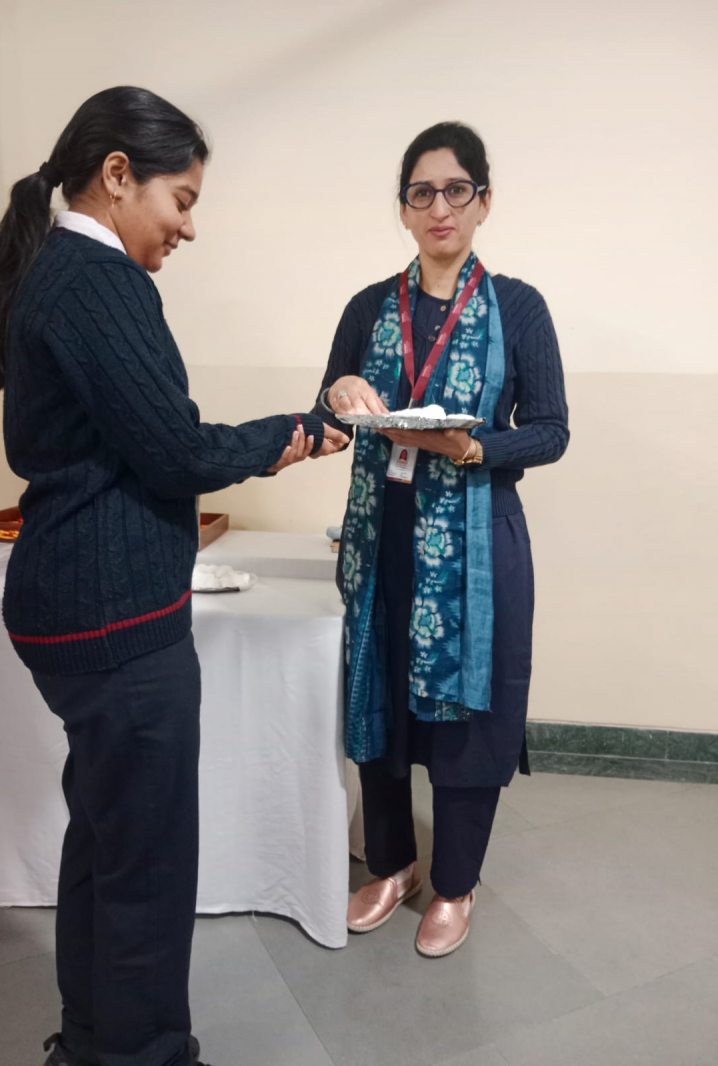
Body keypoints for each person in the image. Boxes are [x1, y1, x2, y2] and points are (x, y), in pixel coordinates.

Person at [0, 85, 347, 1066]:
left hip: (71, 605)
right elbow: (175, 451)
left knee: (106, 841)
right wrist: (294, 432)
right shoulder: (99, 281)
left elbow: (140, 442)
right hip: (112, 616)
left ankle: (90, 1043)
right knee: (145, 862)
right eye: (180, 200)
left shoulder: (56, 272)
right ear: (116, 176)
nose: (188, 226)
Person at [315, 122, 568, 958]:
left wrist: (470, 447)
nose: (439, 207)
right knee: (379, 704)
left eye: (457, 189)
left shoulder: (517, 307)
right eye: (421, 192)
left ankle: (454, 883)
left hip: (476, 550)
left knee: (467, 721)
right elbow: (329, 413)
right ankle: (393, 866)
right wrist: (339, 392)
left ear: (484, 201)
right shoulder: (367, 307)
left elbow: (552, 430)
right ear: (403, 209)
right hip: (382, 543)